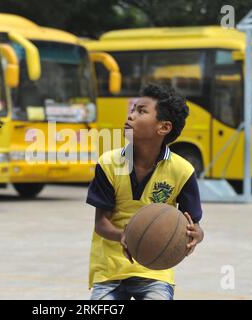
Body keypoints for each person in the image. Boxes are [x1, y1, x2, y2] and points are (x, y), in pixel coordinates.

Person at [86, 83, 204, 300]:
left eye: (141, 111)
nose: (131, 116)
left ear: (164, 127)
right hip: (109, 269)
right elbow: (100, 223)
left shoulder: (182, 171)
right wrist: (126, 236)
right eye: (132, 109)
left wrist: (197, 235)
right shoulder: (108, 163)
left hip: (155, 270)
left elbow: (194, 226)